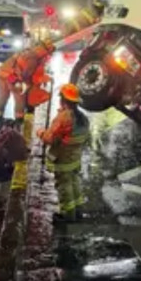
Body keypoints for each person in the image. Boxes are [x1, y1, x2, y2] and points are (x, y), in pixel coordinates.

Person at [36, 83, 90, 223]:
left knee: (64, 187)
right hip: (75, 159)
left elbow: (50, 138)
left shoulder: (64, 117)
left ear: (63, 100)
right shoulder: (82, 118)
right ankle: (78, 211)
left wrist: (40, 132)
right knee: (74, 182)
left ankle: (68, 216)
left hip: (63, 160)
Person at [0, 39, 55, 130]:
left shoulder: (27, 51)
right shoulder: (33, 59)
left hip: (3, 74)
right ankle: (19, 121)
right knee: (20, 99)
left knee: (2, 96)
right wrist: (31, 85)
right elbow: (26, 75)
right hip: (14, 78)